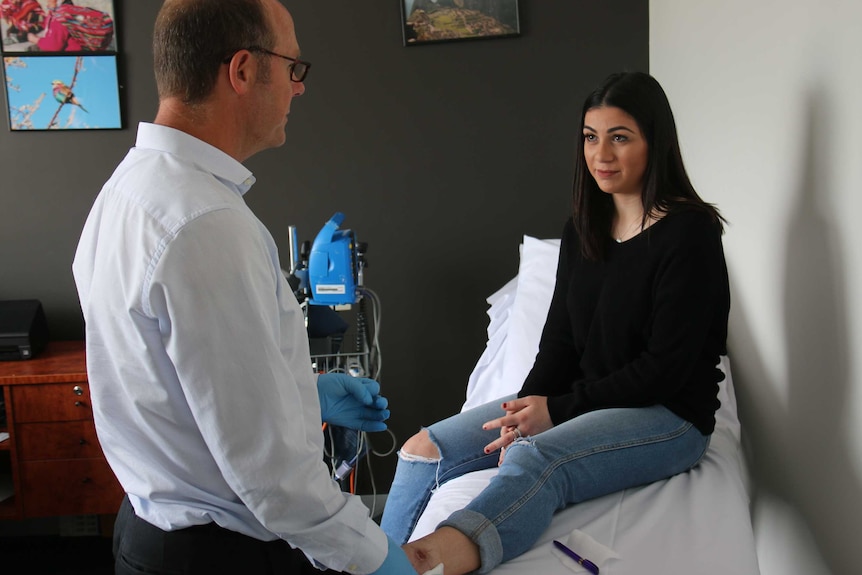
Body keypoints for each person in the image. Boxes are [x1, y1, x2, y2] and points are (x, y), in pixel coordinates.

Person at [72, 1, 417, 574]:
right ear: (242, 70)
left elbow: (177, 385)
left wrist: (302, 396)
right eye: (293, 68)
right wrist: (380, 560)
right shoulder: (205, 224)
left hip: (148, 531)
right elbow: (276, 480)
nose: (298, 89)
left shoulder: (127, 189)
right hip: (217, 553)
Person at [380, 71, 731, 575]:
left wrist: (556, 413)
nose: (601, 155)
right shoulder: (583, 228)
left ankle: (428, 562)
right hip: (588, 401)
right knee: (423, 449)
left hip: (669, 415)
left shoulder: (691, 231)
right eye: (591, 137)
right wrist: (524, 413)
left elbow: (666, 368)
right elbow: (559, 344)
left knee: (538, 459)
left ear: (656, 142)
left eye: (620, 138)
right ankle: (373, 563)